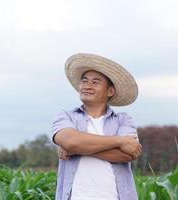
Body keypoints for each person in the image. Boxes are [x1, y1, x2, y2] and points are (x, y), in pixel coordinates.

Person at [51, 53, 142, 200]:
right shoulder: (65, 116)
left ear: (110, 91)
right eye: (84, 81)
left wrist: (76, 149)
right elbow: (70, 142)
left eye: (95, 82)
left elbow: (127, 155)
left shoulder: (124, 120)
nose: (87, 86)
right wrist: (119, 141)